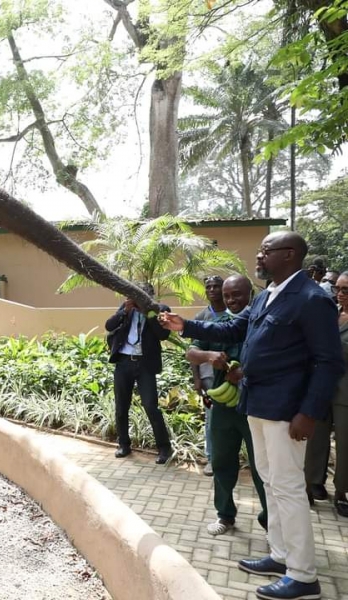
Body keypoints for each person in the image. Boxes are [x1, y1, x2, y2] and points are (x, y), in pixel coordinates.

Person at [159, 232, 343, 600]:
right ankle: (281, 555)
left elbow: (328, 362)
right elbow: (233, 327)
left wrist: (309, 412)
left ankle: (304, 576)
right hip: (256, 405)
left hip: (286, 411)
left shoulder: (312, 299)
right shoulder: (268, 296)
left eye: (265, 251)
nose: (258, 257)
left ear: (288, 255)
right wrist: (187, 326)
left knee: (289, 489)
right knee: (271, 482)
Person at [185, 275, 268, 535]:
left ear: (250, 294)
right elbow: (191, 352)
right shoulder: (218, 323)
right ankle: (225, 515)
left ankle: (270, 521)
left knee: (261, 466)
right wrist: (210, 355)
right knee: (221, 462)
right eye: (228, 295)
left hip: (255, 406)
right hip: (223, 405)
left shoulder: (261, 325)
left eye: (238, 295)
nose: (231, 300)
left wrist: (244, 371)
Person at [105, 282, 173, 465]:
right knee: (121, 406)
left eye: (143, 296)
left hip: (145, 364)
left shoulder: (161, 310)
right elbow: (109, 325)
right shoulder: (126, 307)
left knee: (150, 405)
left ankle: (164, 448)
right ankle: (124, 445)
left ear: (150, 297)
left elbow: (163, 335)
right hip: (124, 362)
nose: (139, 299)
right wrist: (124, 311)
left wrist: (148, 313)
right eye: (136, 295)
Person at [306, 271, 348, 519]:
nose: (340, 294)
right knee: (315, 439)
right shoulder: (331, 313)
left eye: (346, 290)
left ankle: (342, 492)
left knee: (344, 443)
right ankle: (312, 484)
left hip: (345, 390)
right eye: (338, 289)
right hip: (321, 386)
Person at [192, 275, 227, 476]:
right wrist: (196, 378)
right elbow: (193, 350)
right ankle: (212, 458)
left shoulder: (234, 314)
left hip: (232, 376)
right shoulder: (201, 317)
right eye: (209, 287)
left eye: (216, 286)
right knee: (212, 417)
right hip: (208, 377)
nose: (212, 289)